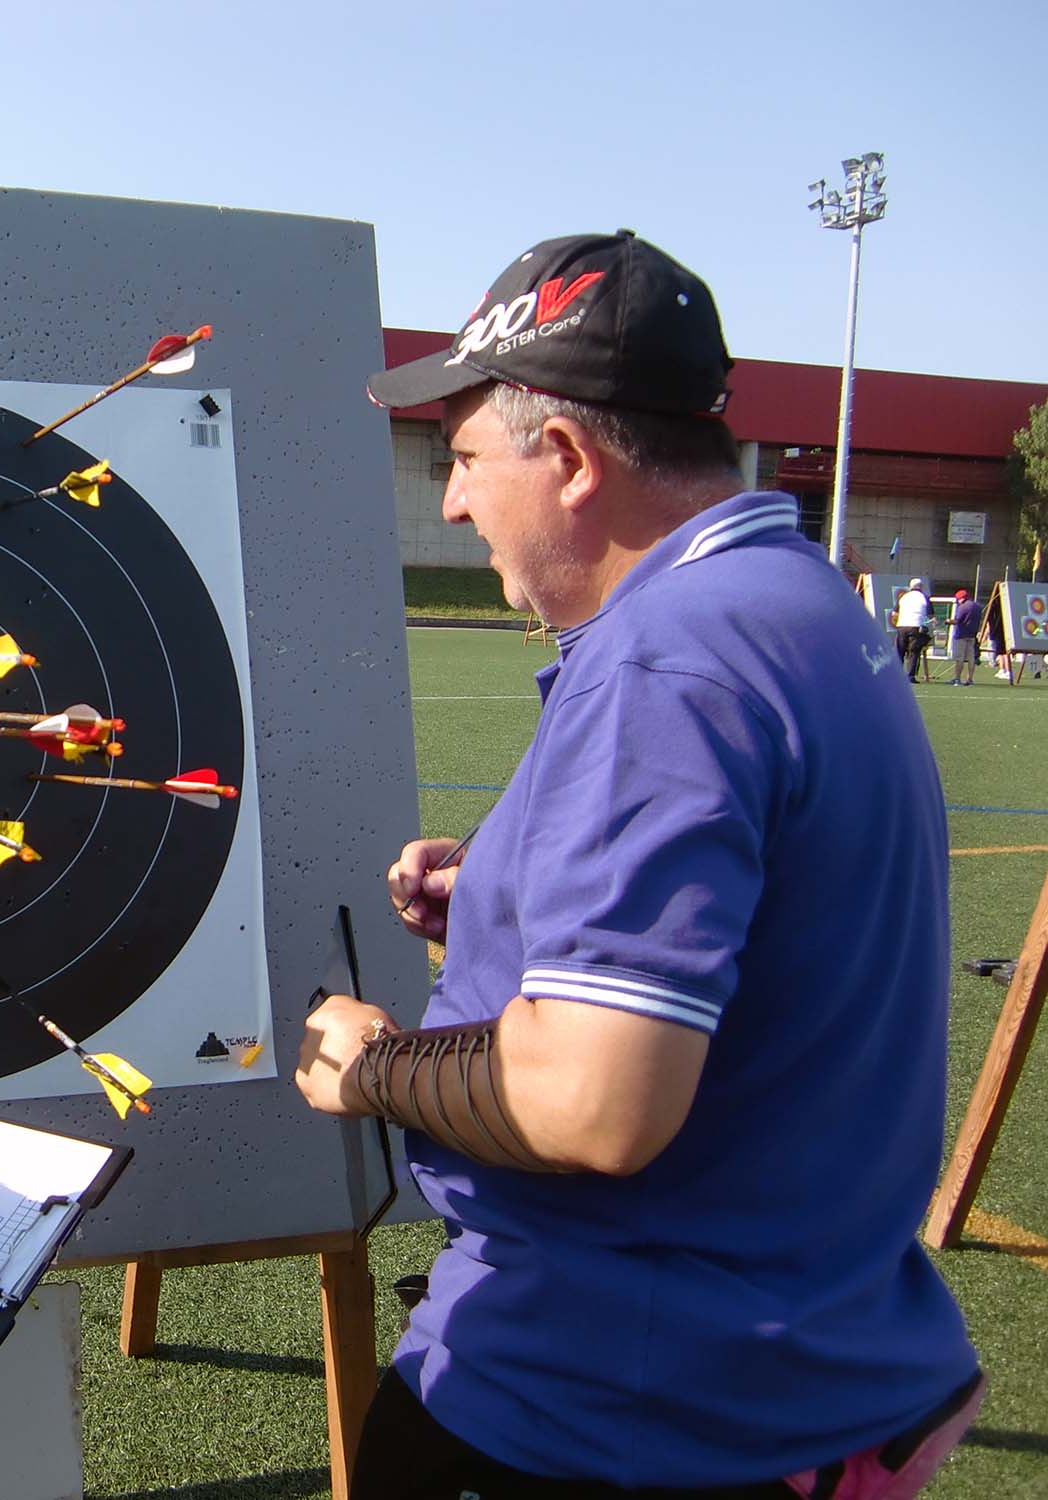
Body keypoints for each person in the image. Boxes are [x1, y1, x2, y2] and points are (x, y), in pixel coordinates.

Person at [297, 232, 980, 1497]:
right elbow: (769, 911)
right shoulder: (794, 600)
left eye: (461, 459)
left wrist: (369, 1066)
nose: (450, 503)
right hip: (778, 1360)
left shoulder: (666, 658)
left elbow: (595, 1102)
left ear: (564, 459)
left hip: (605, 1398)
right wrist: (508, 897)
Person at [894, 577, 933, 681]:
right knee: (914, 652)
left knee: (900, 651)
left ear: (910, 586)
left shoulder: (904, 596)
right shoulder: (924, 597)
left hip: (902, 625)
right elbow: (931, 615)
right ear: (921, 587)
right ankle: (910, 676)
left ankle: (896, 675)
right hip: (916, 626)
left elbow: (894, 613)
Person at [948, 589, 984, 685]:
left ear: (961, 598)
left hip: (961, 635)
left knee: (960, 658)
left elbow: (958, 620)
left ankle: (957, 678)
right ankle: (970, 679)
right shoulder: (977, 606)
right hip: (972, 635)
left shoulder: (963, 607)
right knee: (971, 658)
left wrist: (948, 621)